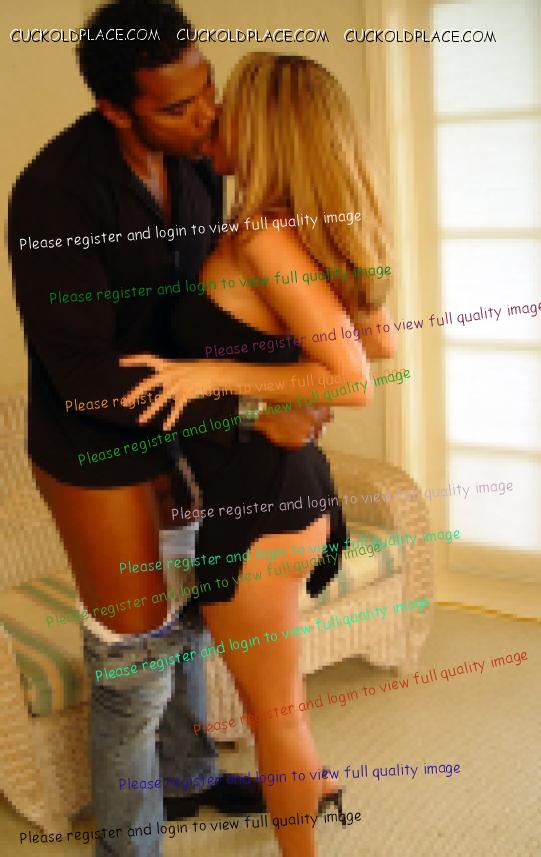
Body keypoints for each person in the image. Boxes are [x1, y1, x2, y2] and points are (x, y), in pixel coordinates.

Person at [7, 4, 330, 856]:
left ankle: (187, 780)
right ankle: (128, 846)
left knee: (184, 611)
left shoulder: (197, 162)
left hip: (180, 420)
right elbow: (83, 375)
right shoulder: (55, 194)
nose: (207, 116)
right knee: (135, 658)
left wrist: (290, 372)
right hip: (94, 441)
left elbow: (208, 305)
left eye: (208, 91)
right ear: (115, 108)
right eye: (178, 107)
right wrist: (247, 404)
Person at [121, 52, 397, 856]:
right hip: (283, 494)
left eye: (227, 107)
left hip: (263, 508)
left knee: (276, 718)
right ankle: (315, 787)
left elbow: (353, 377)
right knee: (278, 706)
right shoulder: (287, 229)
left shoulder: (267, 237)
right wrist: (270, 395)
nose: (212, 119)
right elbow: (377, 340)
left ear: (267, 128)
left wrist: (214, 373)